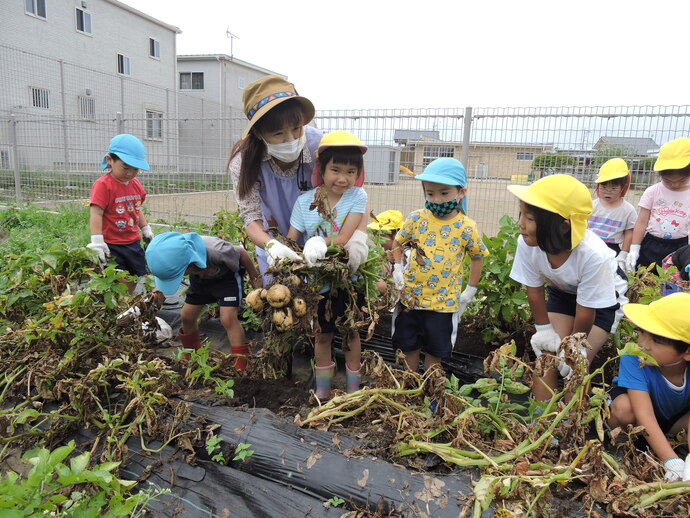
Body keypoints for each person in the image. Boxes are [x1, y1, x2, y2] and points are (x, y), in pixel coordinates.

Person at [228, 75, 368, 280]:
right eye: (278, 134)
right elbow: (251, 218)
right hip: (276, 242)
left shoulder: (319, 145)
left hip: (324, 243)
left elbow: (356, 193)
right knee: (281, 297)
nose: (291, 139)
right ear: (258, 132)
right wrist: (271, 246)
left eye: (297, 128)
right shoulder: (244, 162)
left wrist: (358, 237)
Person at [508, 174, 628, 401]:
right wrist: (544, 331)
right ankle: (542, 420)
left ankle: (570, 426)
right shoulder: (527, 242)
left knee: (576, 365)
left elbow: (586, 310)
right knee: (548, 358)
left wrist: (573, 347)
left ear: (564, 226)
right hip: (563, 292)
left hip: (603, 301)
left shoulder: (593, 255)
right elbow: (534, 290)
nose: (520, 224)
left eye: (530, 218)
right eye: (521, 213)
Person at [286, 130, 368, 397]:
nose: (343, 178)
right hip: (317, 284)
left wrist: (320, 242)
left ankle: (354, 387)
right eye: (335, 170)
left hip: (349, 279)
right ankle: (323, 390)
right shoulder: (303, 202)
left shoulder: (358, 197)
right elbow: (291, 240)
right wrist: (289, 256)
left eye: (350, 171)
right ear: (321, 167)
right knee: (321, 334)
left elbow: (344, 238)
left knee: (351, 332)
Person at [391, 158, 488, 373]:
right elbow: (397, 243)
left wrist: (470, 290)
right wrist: (397, 268)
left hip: (443, 304)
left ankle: (432, 396)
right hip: (411, 299)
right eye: (430, 193)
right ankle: (410, 390)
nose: (437, 199)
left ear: (461, 192)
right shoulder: (416, 219)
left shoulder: (466, 227)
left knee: (436, 352)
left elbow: (477, 256)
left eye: (444, 193)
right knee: (408, 348)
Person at [145, 232, 262, 369]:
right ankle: (192, 353)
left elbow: (242, 253)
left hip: (226, 280)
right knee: (187, 316)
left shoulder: (217, 251)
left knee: (228, 318)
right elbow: (165, 274)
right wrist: (157, 291)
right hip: (200, 280)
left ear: (190, 264)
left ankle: (241, 361)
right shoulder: (177, 256)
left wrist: (254, 278)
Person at [607, 292, 690, 482]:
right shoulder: (633, 359)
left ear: (687, 352)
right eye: (642, 333)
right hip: (634, 420)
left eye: (656, 341)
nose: (643, 344)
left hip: (671, 423)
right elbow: (644, 414)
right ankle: (620, 446)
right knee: (624, 408)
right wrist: (671, 461)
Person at [86, 134, 154, 291]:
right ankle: (120, 304)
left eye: (135, 169)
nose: (130, 173)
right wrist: (97, 241)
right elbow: (96, 213)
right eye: (125, 167)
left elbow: (136, 208)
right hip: (112, 245)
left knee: (134, 277)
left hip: (132, 242)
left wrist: (145, 228)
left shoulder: (135, 184)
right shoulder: (103, 185)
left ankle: (126, 304)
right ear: (110, 160)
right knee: (118, 281)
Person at [626, 137, 690, 273]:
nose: (674, 184)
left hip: (680, 246)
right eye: (668, 180)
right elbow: (641, 222)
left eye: (681, 180)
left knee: (674, 283)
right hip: (651, 244)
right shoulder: (653, 191)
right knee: (644, 281)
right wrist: (634, 248)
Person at [587, 158, 637, 271]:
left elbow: (629, 232)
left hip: (612, 248)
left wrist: (623, 254)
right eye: (603, 187)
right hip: (590, 245)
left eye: (613, 188)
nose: (608, 191)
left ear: (623, 188)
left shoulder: (628, 210)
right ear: (598, 186)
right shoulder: (591, 205)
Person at [367, 210, 404, 295]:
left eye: (382, 236)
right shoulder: (384, 254)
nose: (377, 241)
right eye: (375, 235)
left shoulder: (407, 255)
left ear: (396, 236)